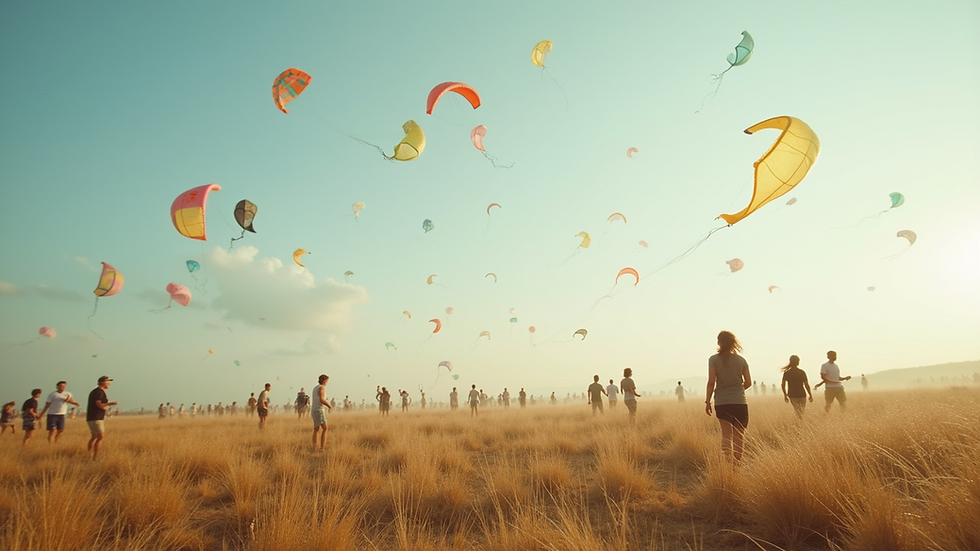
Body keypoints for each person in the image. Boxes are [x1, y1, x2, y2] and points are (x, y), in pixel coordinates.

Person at [704, 331, 752, 464]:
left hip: (722, 402)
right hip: (740, 402)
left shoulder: (713, 359)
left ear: (719, 342)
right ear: (733, 343)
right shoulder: (742, 360)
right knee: (739, 437)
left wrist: (707, 402)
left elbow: (711, 382)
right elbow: (748, 382)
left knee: (726, 436)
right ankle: (736, 466)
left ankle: (728, 464)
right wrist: (738, 390)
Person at [87, 376, 118, 460]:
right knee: (100, 436)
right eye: (108, 381)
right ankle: (95, 457)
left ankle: (90, 454)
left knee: (94, 436)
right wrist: (110, 404)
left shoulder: (96, 391)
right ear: (103, 382)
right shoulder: (99, 392)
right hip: (96, 417)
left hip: (92, 417)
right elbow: (98, 404)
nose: (109, 383)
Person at [780, 355, 812, 419]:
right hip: (802, 394)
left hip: (792, 395)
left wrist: (785, 395)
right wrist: (810, 394)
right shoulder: (801, 372)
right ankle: (799, 421)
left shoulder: (787, 373)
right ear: (798, 362)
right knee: (801, 410)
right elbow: (806, 385)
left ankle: (798, 421)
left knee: (797, 410)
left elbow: (783, 385)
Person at [311, 374, 333, 450]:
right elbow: (321, 399)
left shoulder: (315, 388)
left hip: (314, 409)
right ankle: (322, 448)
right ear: (324, 381)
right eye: (327, 381)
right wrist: (329, 405)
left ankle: (314, 447)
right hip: (319, 409)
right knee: (325, 428)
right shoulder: (321, 388)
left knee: (316, 429)